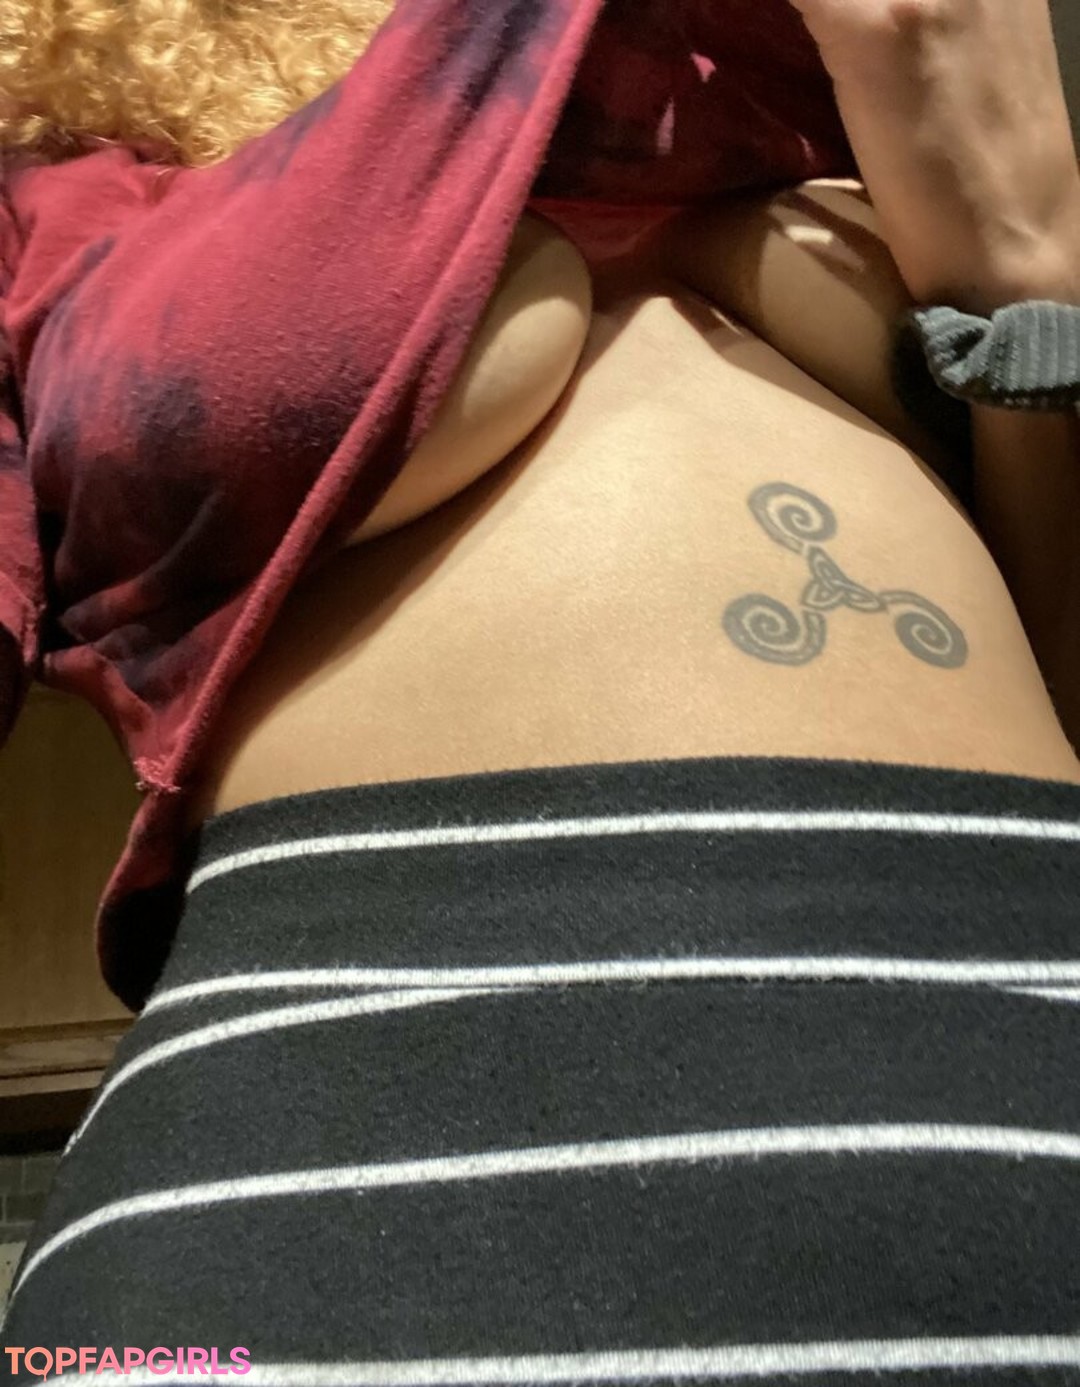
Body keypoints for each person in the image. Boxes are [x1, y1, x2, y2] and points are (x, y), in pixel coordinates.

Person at [1, 0, 1079, 1373]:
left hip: (1025, 994)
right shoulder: (49, 189)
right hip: (352, 1104)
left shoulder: (804, 70)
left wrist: (1036, 266)